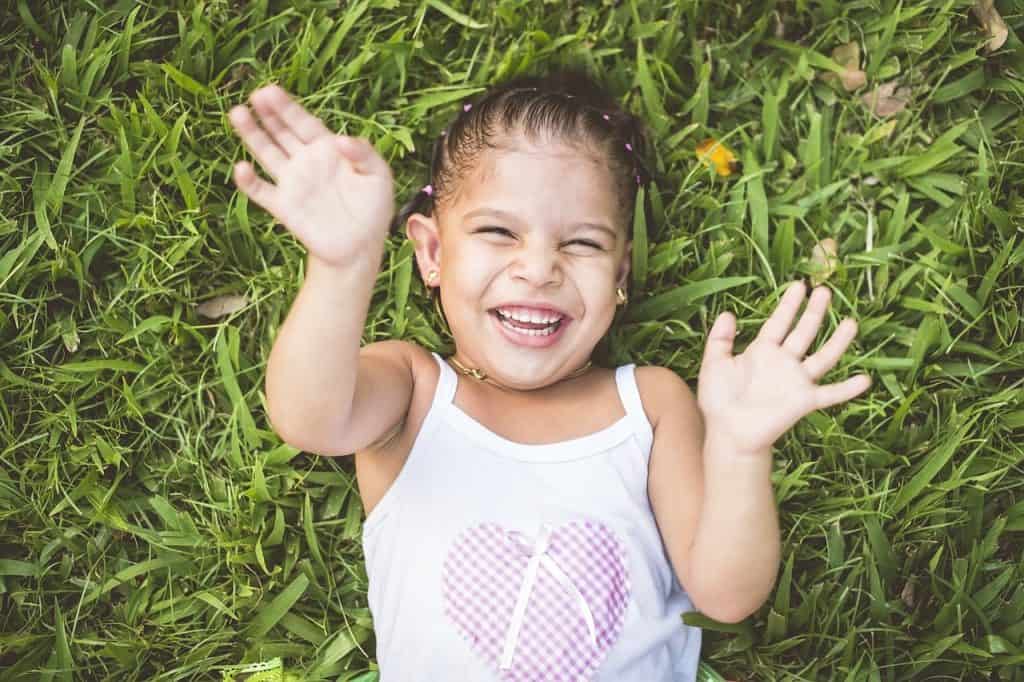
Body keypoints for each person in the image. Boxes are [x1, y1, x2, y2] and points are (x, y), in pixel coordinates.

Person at [227, 67, 872, 681]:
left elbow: (726, 595)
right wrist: (343, 267)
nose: (539, 268)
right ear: (430, 251)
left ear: (618, 277)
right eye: (499, 231)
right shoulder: (414, 390)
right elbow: (309, 418)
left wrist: (738, 449)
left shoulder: (648, 404)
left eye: (583, 243)